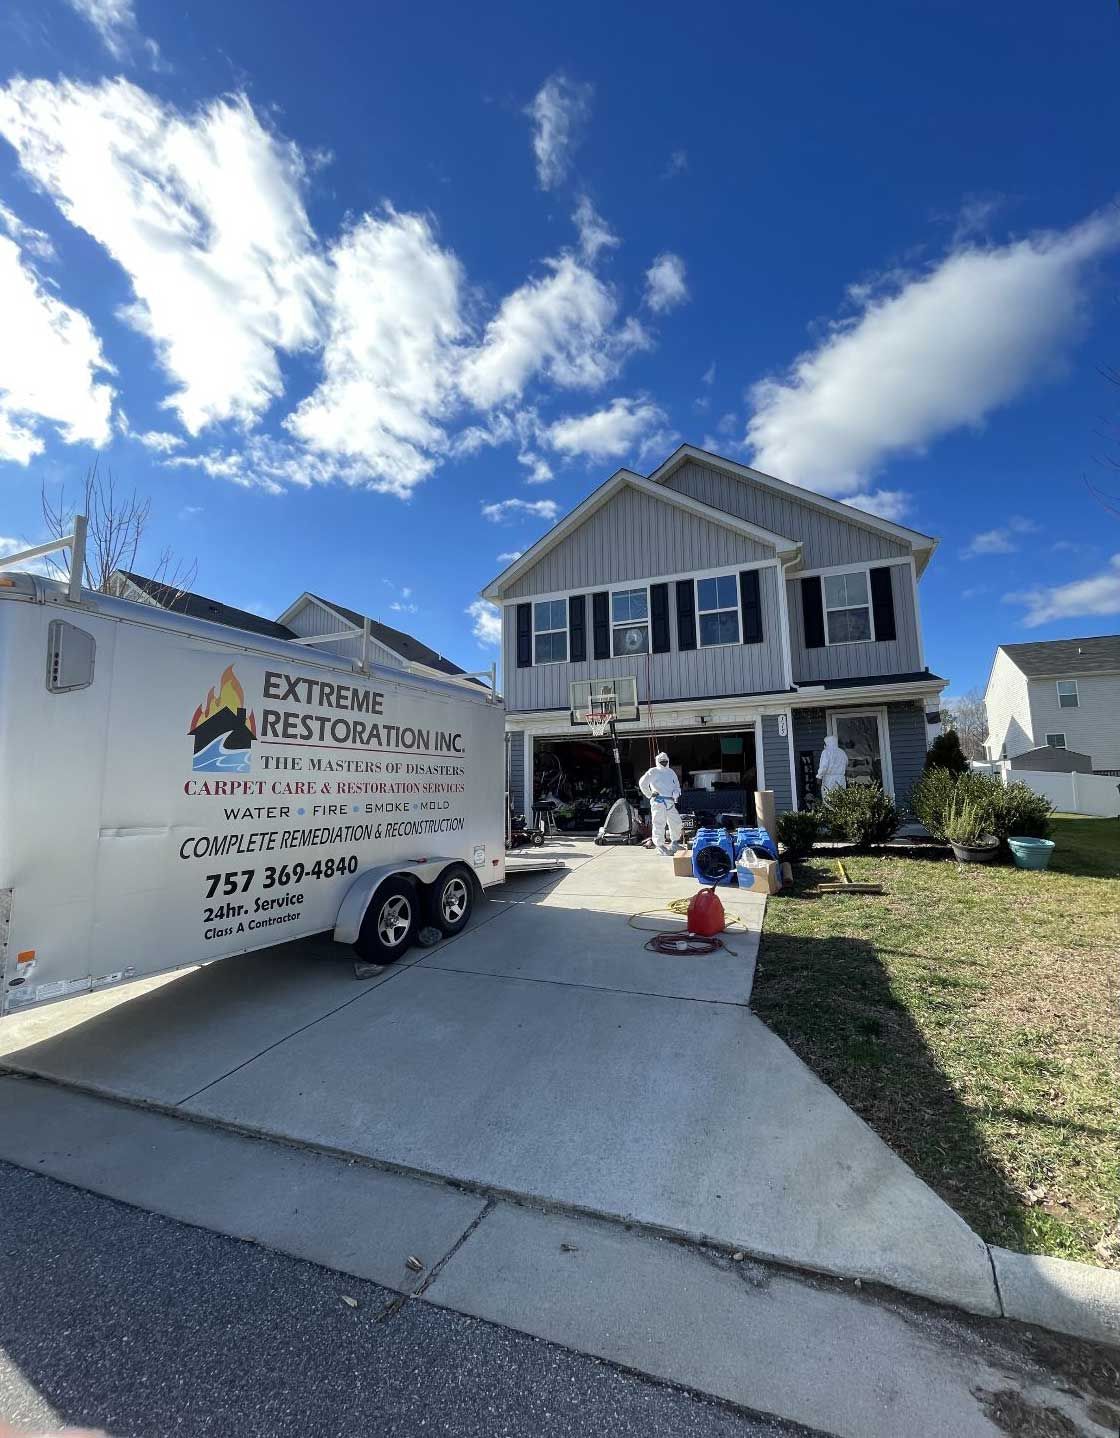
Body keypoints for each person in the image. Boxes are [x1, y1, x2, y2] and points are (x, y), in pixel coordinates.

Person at [639, 751, 683, 855]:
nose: (663, 763)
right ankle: (660, 846)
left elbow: (677, 785)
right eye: (661, 761)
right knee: (659, 823)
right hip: (658, 801)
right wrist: (650, 794)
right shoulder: (653, 771)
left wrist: (676, 793)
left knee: (676, 822)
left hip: (670, 801)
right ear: (658, 761)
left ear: (668, 761)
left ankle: (675, 843)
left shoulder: (671, 772)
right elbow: (642, 783)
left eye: (665, 761)